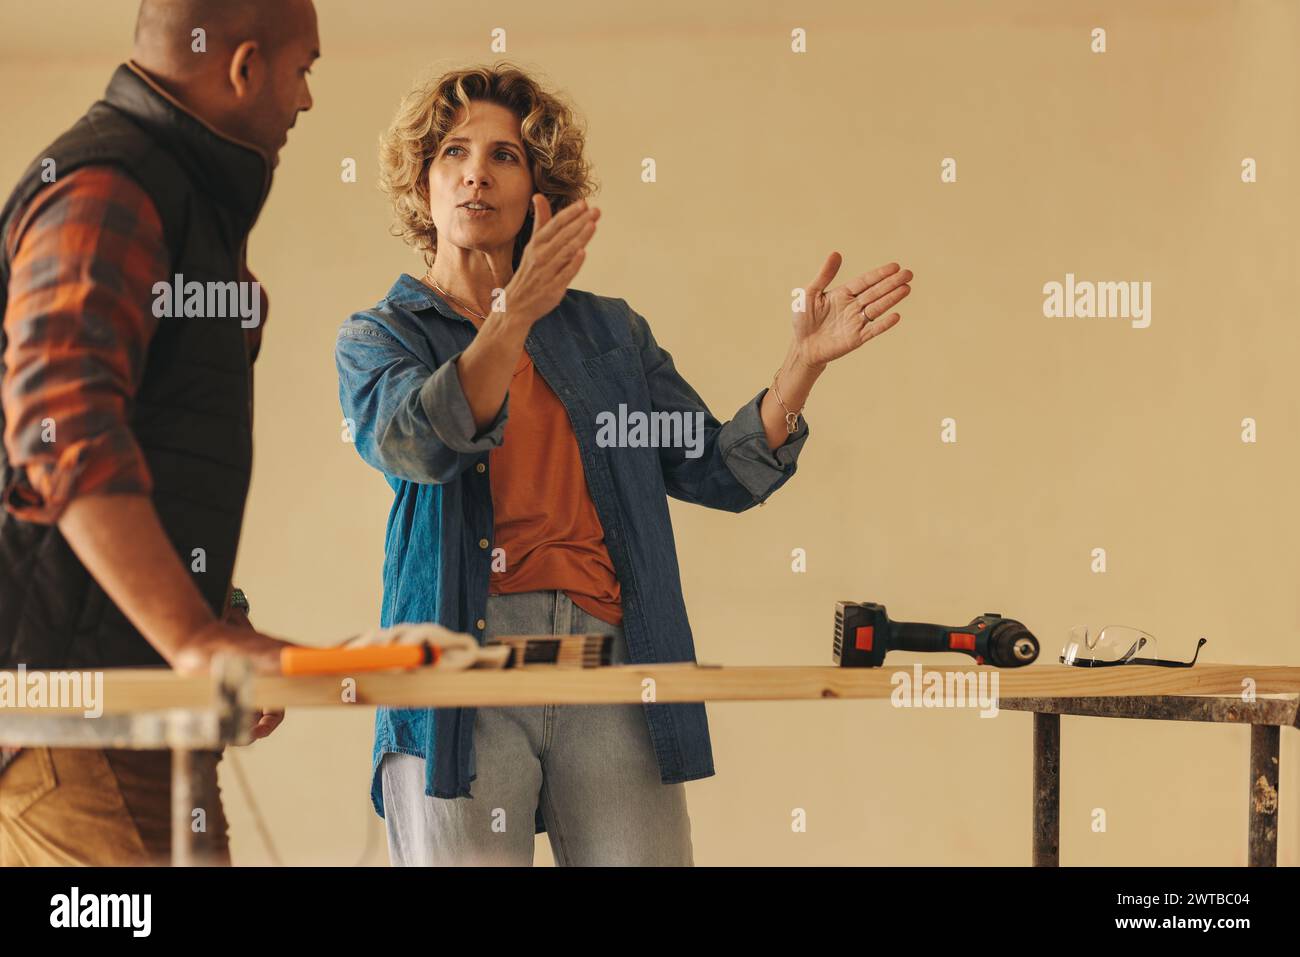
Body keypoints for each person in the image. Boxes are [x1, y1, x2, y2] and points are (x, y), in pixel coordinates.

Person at [336, 62, 915, 866]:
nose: (476, 173)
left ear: (540, 187)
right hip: (456, 680)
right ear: (422, 186)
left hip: (611, 664)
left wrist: (801, 367)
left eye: (504, 155)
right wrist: (513, 313)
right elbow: (419, 443)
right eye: (453, 153)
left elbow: (718, 470)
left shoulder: (608, 333)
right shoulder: (382, 336)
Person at [0, 0, 321, 866]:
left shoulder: (178, 202)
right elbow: (61, 428)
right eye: (304, 71)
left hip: (139, 717)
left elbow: (158, 470)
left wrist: (217, 616)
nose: (306, 101)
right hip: (75, 722)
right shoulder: (111, 185)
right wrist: (193, 635)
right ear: (245, 67)